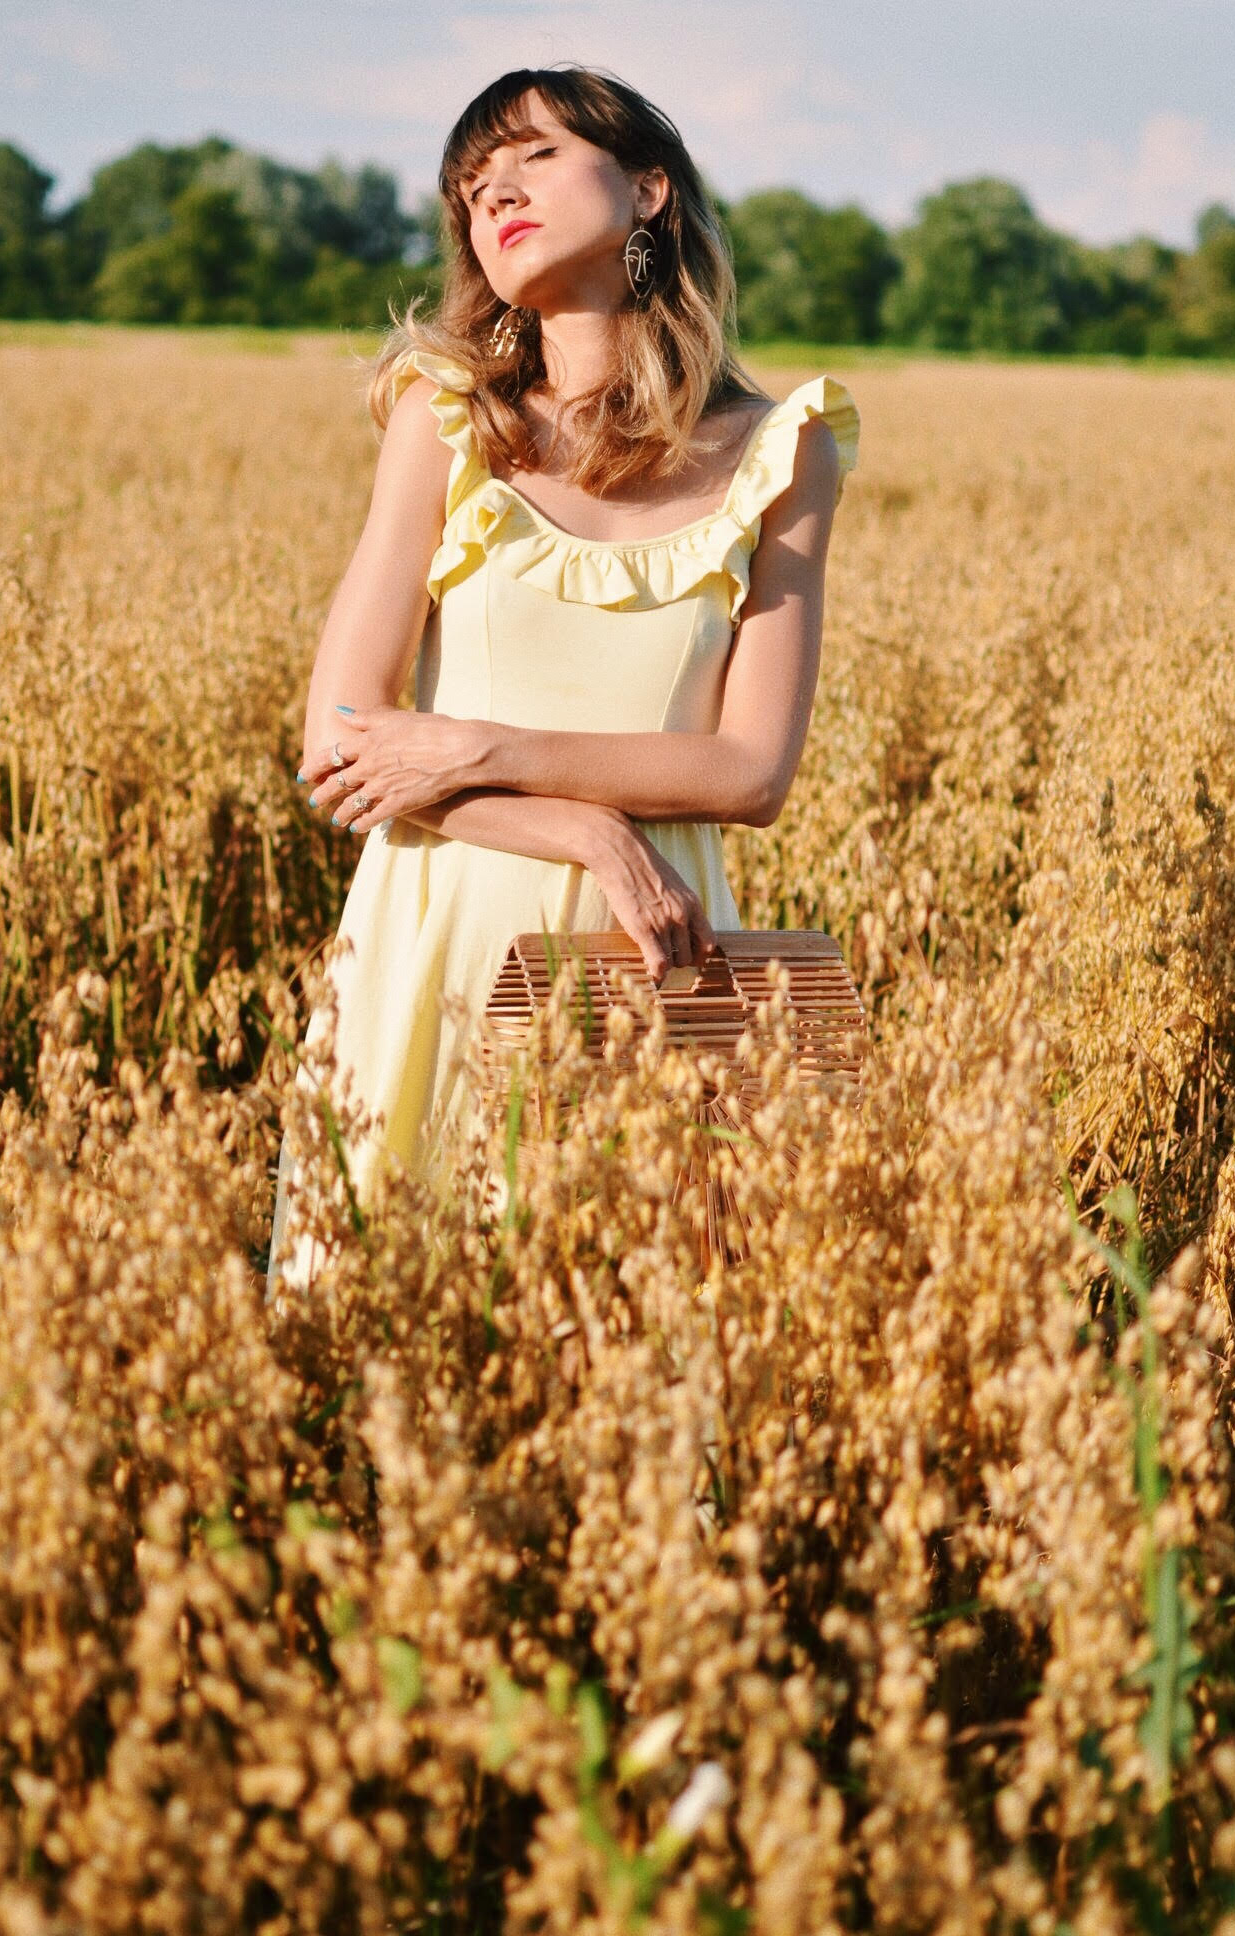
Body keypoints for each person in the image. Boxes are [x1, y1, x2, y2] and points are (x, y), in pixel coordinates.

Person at [266, 65, 859, 1300]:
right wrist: (584, 825)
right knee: (399, 1355)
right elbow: (339, 735)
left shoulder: (783, 450)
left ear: (648, 190)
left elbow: (751, 769)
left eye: (533, 155)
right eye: (474, 187)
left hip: (652, 957)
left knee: (638, 1379)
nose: (497, 191)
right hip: (438, 938)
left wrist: (482, 745)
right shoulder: (443, 419)